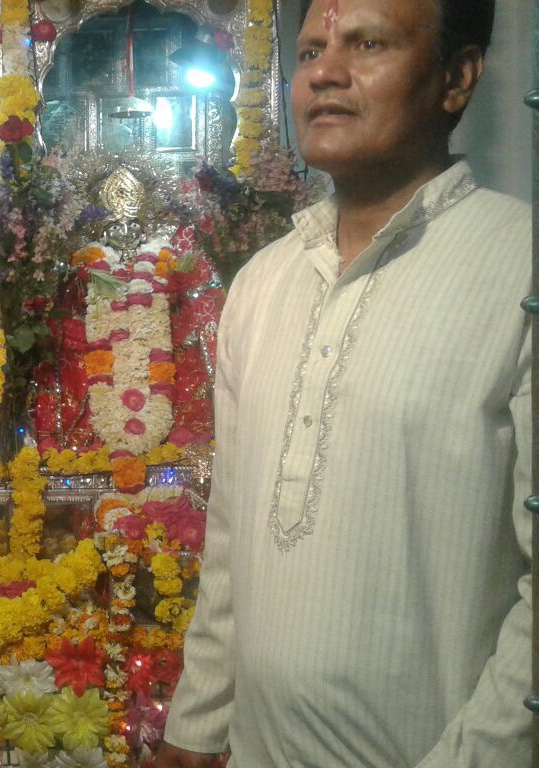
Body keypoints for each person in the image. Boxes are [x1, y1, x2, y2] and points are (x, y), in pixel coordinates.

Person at [156, 0, 532, 764]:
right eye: (313, 48)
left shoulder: (519, 266)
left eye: (368, 44)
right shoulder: (261, 283)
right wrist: (195, 728)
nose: (325, 72)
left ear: (457, 77)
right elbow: (230, 534)